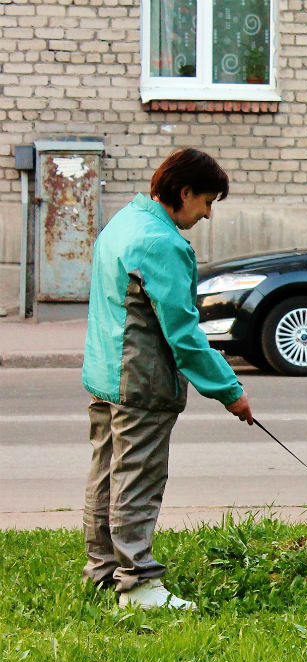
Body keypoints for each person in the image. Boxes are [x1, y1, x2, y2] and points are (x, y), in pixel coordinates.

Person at [81, 148, 253, 610]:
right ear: (184, 192)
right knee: (136, 479)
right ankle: (137, 584)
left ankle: (102, 572)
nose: (207, 214)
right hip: (141, 381)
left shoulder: (123, 223)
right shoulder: (162, 243)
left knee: (106, 475)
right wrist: (230, 391)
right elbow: (183, 333)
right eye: (207, 202)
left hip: (104, 374)